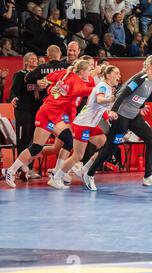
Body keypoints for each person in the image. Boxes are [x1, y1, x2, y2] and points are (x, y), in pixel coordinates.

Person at [2, 60, 94, 188]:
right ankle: (10, 171)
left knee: (67, 140)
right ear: (82, 71)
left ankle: (56, 176)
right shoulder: (75, 81)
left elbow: (49, 77)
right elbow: (82, 91)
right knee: (36, 147)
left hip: (53, 114)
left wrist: (47, 83)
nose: (90, 74)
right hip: (47, 113)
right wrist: (100, 89)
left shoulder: (64, 73)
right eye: (89, 70)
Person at [83, 55, 152, 191]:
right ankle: (89, 174)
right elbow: (123, 92)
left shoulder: (151, 81)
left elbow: (139, 96)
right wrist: (113, 110)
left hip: (133, 116)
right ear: (150, 66)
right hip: (121, 116)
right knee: (111, 148)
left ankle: (148, 176)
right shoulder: (140, 78)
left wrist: (142, 106)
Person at [49, 65, 121, 189]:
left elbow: (98, 106)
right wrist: (111, 99)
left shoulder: (108, 88)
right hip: (83, 124)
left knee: (107, 147)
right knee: (78, 156)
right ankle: (56, 178)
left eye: (119, 74)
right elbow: (99, 100)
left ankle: (85, 170)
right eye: (116, 73)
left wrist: (109, 114)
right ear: (108, 75)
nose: (119, 76)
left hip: (91, 124)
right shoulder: (103, 86)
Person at [9, 52, 41, 181]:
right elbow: (13, 90)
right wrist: (13, 98)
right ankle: (18, 169)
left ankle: (30, 168)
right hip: (24, 111)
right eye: (32, 60)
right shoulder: (20, 74)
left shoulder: (40, 76)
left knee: (34, 140)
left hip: (37, 111)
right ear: (26, 61)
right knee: (23, 139)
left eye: (36, 59)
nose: (34, 61)